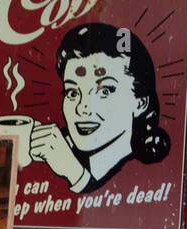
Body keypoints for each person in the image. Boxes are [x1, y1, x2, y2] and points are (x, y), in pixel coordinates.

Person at [29, 22, 171, 194]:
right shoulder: (58, 162)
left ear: (140, 102)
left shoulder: (146, 175)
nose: (83, 108)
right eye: (73, 93)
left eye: (105, 91)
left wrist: (75, 174)